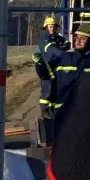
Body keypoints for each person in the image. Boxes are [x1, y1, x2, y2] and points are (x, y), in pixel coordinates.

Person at [49, 22, 90, 114]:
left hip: (88, 114)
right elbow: (50, 79)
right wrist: (40, 65)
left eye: (83, 38)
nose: (77, 41)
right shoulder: (65, 58)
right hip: (62, 114)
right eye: (76, 37)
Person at [31, 15, 68, 145]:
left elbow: (65, 44)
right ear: (46, 27)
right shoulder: (44, 39)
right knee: (47, 91)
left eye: (53, 26)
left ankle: (54, 113)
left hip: (55, 69)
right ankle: (45, 111)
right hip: (46, 68)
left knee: (56, 91)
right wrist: (63, 50)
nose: (51, 28)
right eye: (49, 26)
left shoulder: (58, 38)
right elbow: (51, 50)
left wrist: (64, 46)